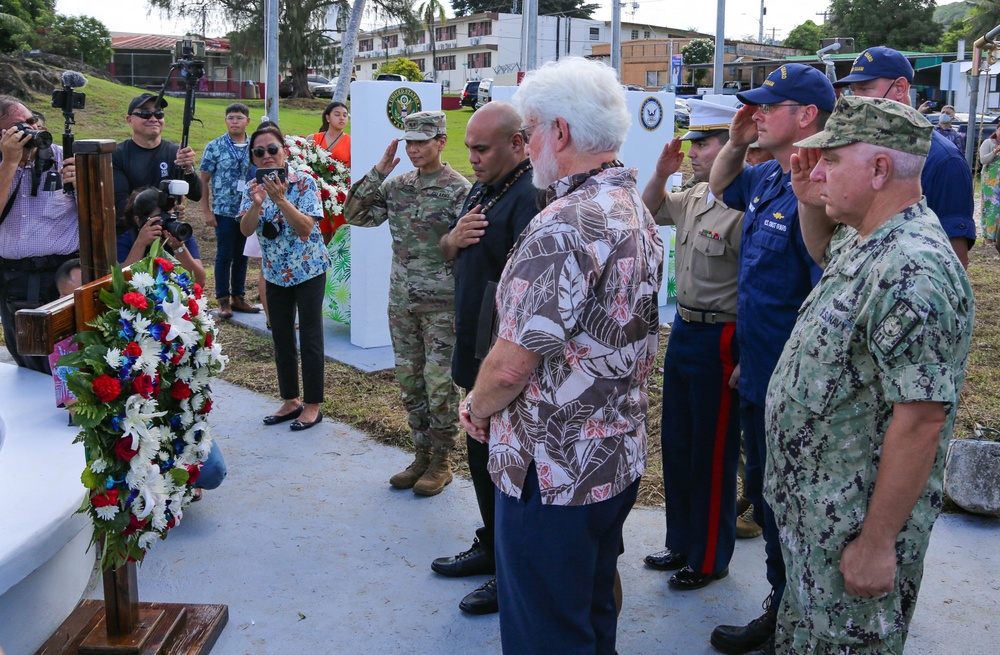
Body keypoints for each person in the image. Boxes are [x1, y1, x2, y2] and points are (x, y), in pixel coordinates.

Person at [460, 57, 663, 655]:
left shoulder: (564, 224)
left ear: (561, 133)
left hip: (551, 472)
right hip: (610, 457)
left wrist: (476, 406)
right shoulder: (632, 207)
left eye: (527, 133)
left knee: (546, 632)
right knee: (591, 613)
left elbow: (511, 363)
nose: (526, 147)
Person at [776, 96, 974, 652]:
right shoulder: (871, 236)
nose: (816, 171)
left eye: (831, 161)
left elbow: (921, 421)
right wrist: (808, 197)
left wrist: (877, 543)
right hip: (819, 520)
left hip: (854, 529)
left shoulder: (914, 267)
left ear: (880, 169)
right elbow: (823, 254)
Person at [707, 63, 834, 655]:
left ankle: (800, 621)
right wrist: (735, 142)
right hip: (760, 378)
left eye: (768, 106)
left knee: (796, 509)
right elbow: (719, 187)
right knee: (766, 497)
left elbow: (824, 301)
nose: (756, 114)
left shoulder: (826, 189)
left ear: (805, 116)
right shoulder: (766, 178)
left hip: (802, 392)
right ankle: (782, 609)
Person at [430, 101, 535, 615]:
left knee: (503, 462)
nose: (470, 157)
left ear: (517, 144)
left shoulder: (530, 196)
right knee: (478, 453)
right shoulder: (485, 186)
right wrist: (452, 240)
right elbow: (452, 250)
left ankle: (508, 568)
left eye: (481, 148)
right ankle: (490, 544)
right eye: (467, 147)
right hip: (470, 346)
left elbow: (527, 296)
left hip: (500, 357)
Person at [640, 101, 743, 592]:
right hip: (682, 329)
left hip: (723, 335)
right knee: (678, 444)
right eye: (692, 142)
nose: (692, 152)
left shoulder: (745, 205)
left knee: (712, 451)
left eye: (703, 143)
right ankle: (680, 540)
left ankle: (709, 557)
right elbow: (648, 210)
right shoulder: (696, 195)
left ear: (731, 147)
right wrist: (661, 174)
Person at [344, 111, 470, 497]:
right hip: (402, 303)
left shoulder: (459, 190)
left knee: (439, 384)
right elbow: (355, 214)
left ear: (441, 141)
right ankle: (420, 455)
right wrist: (378, 172)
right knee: (410, 381)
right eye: (409, 142)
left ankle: (442, 461)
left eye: (422, 141)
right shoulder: (397, 186)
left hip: (442, 306)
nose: (414, 149)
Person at [833, 46, 976, 268]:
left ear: (900, 87)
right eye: (853, 91)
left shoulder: (944, 161)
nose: (856, 101)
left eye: (865, 89)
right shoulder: (860, 149)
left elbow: (954, 261)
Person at [239, 122, 329, 432]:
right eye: (259, 152)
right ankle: (291, 400)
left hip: (308, 270)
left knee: (311, 337)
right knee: (281, 337)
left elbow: (306, 228)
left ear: (284, 151)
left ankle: (313, 405)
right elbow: (246, 229)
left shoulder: (304, 182)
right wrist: (257, 202)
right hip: (275, 273)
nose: (266, 156)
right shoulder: (252, 186)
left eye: (272, 149)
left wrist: (280, 199)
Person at [0, 96, 79, 373]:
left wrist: (85, 184)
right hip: (14, 279)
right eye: (21, 127)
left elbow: (101, 216)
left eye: (33, 121)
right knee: (26, 360)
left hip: (62, 277)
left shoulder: (66, 158)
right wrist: (9, 163)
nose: (34, 130)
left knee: (69, 359)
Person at [199, 102, 258, 319]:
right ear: (225, 121)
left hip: (248, 211)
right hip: (224, 210)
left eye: (239, 118)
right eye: (231, 117)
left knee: (242, 255)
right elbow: (203, 180)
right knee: (224, 255)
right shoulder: (215, 147)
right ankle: (222, 300)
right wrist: (206, 210)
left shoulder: (256, 146)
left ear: (247, 121)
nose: (235, 121)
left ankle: (238, 297)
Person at [112, 93, 202, 221]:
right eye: (145, 114)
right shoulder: (117, 154)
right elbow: (120, 205)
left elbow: (196, 195)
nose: (153, 119)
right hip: (131, 229)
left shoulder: (175, 152)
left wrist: (188, 170)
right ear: (129, 120)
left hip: (168, 229)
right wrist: (163, 214)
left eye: (159, 114)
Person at [116, 187, 206, 287]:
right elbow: (121, 284)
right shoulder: (127, 240)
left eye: (170, 217)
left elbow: (199, 282)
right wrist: (140, 244)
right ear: (138, 220)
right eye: (160, 219)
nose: (166, 224)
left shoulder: (179, 233)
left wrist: (179, 249)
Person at [311, 101, 352, 245]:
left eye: (345, 115)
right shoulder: (313, 139)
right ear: (328, 117)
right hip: (316, 197)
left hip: (339, 198)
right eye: (337, 114)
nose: (342, 118)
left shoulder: (351, 142)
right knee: (320, 239)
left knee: (338, 240)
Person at [978, 127, 1000, 245]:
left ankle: (996, 237)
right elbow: (983, 160)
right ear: (996, 130)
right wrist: (995, 151)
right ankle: (988, 238)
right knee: (992, 208)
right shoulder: (988, 143)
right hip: (990, 182)